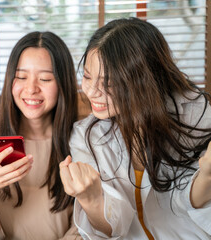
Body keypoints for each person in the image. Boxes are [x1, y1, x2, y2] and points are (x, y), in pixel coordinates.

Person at [59, 17, 211, 239]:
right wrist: (90, 198)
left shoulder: (194, 113)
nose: (91, 92)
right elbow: (116, 228)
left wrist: (206, 175)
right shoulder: (85, 135)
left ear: (143, 80)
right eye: (87, 76)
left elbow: (187, 205)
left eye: (108, 84)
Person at [0, 31, 82, 239]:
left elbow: (85, 228)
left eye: (45, 78)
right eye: (21, 77)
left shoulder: (79, 142)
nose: (31, 89)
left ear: (63, 83)